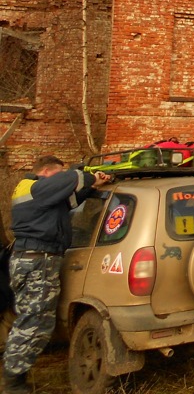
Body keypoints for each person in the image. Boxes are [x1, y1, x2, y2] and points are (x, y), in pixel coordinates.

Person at [3, 155, 112, 394]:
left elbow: (69, 200)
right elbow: (71, 179)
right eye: (59, 173)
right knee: (34, 323)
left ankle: (15, 377)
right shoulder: (36, 187)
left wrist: (91, 186)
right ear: (48, 172)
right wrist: (88, 175)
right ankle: (13, 382)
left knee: (31, 321)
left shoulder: (35, 192)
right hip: (38, 262)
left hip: (31, 260)